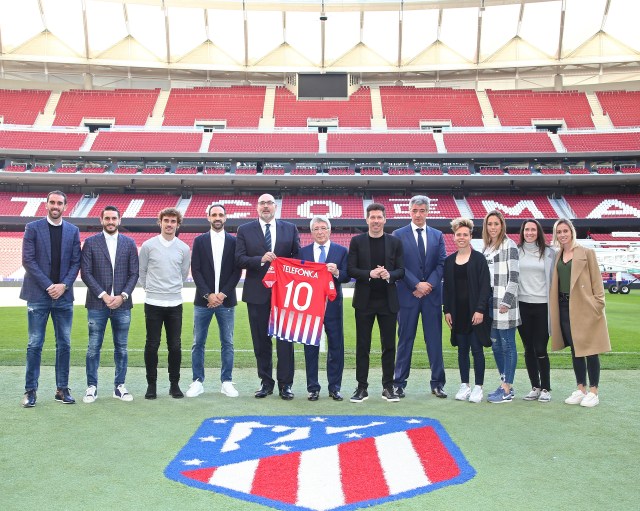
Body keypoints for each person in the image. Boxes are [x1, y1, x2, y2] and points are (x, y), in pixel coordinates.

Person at [235, 194, 300, 400]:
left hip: (284, 294)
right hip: (257, 293)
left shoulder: (290, 228)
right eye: (262, 203)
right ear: (257, 207)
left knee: (285, 341)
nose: (266, 206)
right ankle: (266, 382)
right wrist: (259, 259)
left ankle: (285, 384)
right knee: (261, 341)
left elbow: (297, 259)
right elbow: (239, 259)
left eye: (269, 203)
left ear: (275, 207)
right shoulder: (244, 230)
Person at [20, 190, 81, 407]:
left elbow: (76, 262)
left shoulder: (73, 231)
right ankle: (30, 391)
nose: (55, 206)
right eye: (52, 202)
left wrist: (63, 285)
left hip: (63, 297)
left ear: (65, 206)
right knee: (35, 344)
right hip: (38, 295)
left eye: (59, 203)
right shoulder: (33, 228)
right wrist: (49, 286)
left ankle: (62, 389)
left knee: (64, 344)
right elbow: (28, 260)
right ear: (46, 204)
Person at [550, 218, 611, 408]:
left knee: (590, 349)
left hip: (584, 306)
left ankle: (594, 391)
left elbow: (597, 282)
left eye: (565, 231)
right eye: (559, 232)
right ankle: (580, 388)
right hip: (564, 306)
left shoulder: (586, 252)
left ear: (572, 231)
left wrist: (597, 304)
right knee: (576, 350)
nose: (562, 235)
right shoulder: (558, 255)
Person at [80, 206, 139, 403]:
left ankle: (119, 386)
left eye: (114, 218)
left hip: (122, 305)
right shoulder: (90, 243)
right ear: (101, 220)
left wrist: (122, 296)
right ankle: (91, 387)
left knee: (121, 347)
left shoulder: (129, 243)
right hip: (97, 304)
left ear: (119, 220)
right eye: (107, 218)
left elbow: (134, 274)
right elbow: (86, 273)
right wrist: (104, 295)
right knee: (93, 348)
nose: (111, 221)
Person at [347, 203, 404, 403]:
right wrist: (369, 274)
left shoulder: (395, 242)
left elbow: (401, 270)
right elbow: (351, 269)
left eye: (379, 217)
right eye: (373, 217)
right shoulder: (357, 241)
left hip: (388, 302)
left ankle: (388, 386)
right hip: (364, 302)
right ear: (367, 219)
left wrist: (389, 274)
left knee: (389, 346)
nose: (376, 221)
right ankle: (362, 387)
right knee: (363, 346)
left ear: (385, 219)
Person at [392, 195, 447, 398]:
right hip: (408, 295)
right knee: (405, 340)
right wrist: (416, 284)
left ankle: (438, 383)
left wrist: (428, 285)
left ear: (428, 212)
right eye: (415, 210)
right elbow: (397, 265)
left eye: (422, 210)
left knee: (434, 340)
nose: (418, 214)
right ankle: (398, 383)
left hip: (431, 297)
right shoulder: (398, 234)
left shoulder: (437, 235)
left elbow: (442, 263)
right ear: (409, 211)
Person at [186, 203, 241, 399]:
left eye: (220, 215)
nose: (217, 218)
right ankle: (197, 381)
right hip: (203, 302)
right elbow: (196, 270)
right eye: (214, 215)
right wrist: (208, 294)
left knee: (227, 342)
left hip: (226, 302)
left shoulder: (234, 242)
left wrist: (222, 294)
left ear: (225, 218)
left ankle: (226, 381)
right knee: (197, 343)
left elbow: (237, 271)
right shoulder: (199, 241)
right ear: (208, 218)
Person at [139, 207, 191, 400]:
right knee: (152, 345)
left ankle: (174, 384)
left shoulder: (184, 248)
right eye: (166, 220)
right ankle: (151, 385)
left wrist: (170, 289)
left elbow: (183, 274)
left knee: (175, 346)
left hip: (175, 303)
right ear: (160, 222)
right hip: (153, 302)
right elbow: (142, 272)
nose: (169, 224)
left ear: (178, 225)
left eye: (173, 221)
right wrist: (151, 289)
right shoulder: (148, 245)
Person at [298, 216, 350, 401]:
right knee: (310, 347)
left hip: (333, 307)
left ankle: (334, 387)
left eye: (323, 228)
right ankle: (313, 387)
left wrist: (336, 272)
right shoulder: (302, 252)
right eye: (316, 229)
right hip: (310, 307)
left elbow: (347, 275)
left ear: (329, 230)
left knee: (336, 346)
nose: (320, 232)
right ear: (311, 232)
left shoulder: (341, 251)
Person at [443, 218, 491, 404]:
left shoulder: (479, 259)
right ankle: (465, 385)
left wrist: (480, 310)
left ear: (471, 236)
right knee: (462, 350)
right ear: (454, 237)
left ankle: (478, 387)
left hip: (475, 313)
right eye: (458, 234)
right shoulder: (448, 261)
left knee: (477, 350)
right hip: (458, 313)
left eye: (465, 234)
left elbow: (485, 287)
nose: (461, 237)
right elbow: (446, 288)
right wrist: (446, 310)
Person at [481, 209, 520, 404]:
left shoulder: (509, 245)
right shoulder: (486, 247)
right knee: (495, 344)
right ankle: (504, 382)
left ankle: (507, 388)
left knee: (508, 344)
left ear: (502, 225)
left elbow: (514, 277)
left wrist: (507, 301)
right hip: (490, 301)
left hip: (504, 302)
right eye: (490, 224)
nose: (493, 227)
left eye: (496, 224)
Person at [517, 219, 556, 403]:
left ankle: (546, 388)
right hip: (522, 305)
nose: (530, 232)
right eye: (527, 230)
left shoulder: (549, 253)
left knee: (540, 347)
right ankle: (535, 386)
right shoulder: (516, 252)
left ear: (538, 232)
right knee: (528, 349)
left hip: (543, 306)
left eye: (533, 229)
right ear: (522, 232)